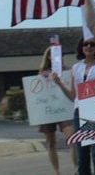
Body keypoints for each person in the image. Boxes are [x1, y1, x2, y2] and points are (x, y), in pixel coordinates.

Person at [52, 38, 95, 175]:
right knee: (82, 155)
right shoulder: (76, 67)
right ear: (81, 47)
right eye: (85, 44)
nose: (89, 46)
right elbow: (73, 95)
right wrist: (60, 84)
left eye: (93, 44)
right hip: (80, 112)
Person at [37, 45, 77, 175]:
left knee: (72, 138)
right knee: (50, 142)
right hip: (48, 109)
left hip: (64, 106)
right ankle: (56, 171)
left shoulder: (69, 70)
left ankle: (77, 169)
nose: (55, 57)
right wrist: (42, 77)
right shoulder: (41, 73)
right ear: (47, 56)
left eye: (59, 54)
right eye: (52, 54)